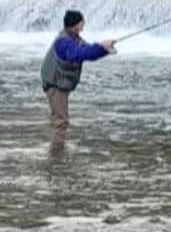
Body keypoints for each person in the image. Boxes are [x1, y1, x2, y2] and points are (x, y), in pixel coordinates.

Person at [41, 10, 115, 146]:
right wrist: (101, 47)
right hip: (55, 86)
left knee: (59, 119)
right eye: (82, 22)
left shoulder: (74, 38)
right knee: (61, 121)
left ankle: (56, 151)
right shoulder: (63, 42)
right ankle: (57, 155)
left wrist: (104, 49)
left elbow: (88, 50)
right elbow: (78, 53)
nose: (84, 24)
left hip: (59, 84)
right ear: (76, 24)